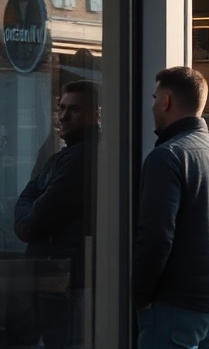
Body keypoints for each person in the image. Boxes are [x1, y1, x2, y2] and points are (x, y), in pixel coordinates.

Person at [133, 67, 209, 348]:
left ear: (166, 101)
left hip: (176, 302)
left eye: (154, 98)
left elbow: (155, 236)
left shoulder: (166, 156)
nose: (152, 105)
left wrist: (140, 293)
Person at [14, 80, 101, 349]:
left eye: (73, 109)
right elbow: (28, 197)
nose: (63, 115)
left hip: (66, 277)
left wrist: (28, 216)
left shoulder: (80, 158)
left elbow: (34, 219)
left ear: (94, 115)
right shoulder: (64, 156)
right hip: (58, 275)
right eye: (61, 107)